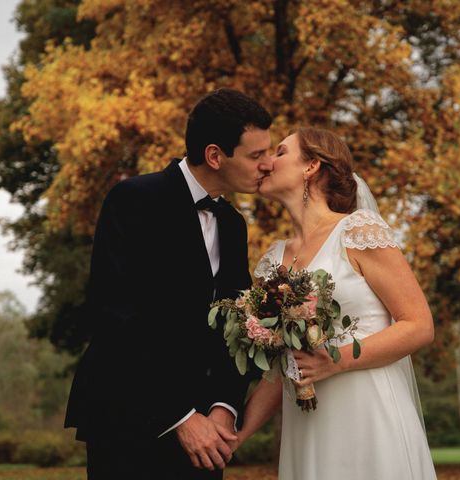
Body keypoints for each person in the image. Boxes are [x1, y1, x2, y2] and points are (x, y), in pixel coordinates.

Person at [64, 88, 273, 479]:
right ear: (215, 155)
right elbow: (114, 316)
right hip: (129, 417)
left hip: (208, 434)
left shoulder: (232, 224)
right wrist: (180, 416)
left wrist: (225, 407)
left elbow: (236, 324)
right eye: (256, 155)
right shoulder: (132, 200)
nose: (268, 165)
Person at [237, 127, 437, 479]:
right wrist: (237, 435)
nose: (267, 163)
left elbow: (419, 325)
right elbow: (278, 368)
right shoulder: (272, 261)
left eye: (280, 152)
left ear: (311, 166)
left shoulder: (357, 232)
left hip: (368, 415)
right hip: (308, 427)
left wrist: (335, 361)